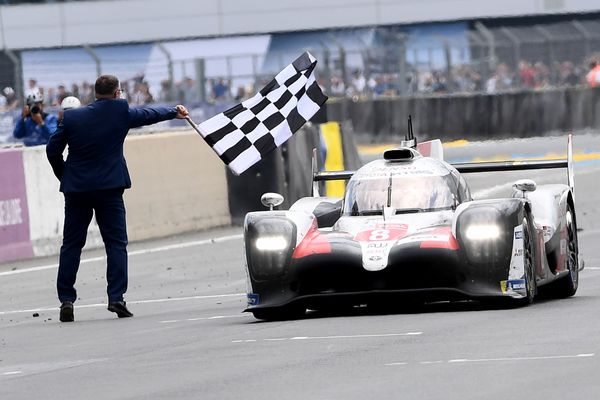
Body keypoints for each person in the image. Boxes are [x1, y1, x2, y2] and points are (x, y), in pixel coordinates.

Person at [46, 74, 189, 322]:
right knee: (115, 243)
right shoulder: (120, 111)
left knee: (71, 245)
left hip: (77, 190)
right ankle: (116, 298)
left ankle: (66, 300)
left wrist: (66, 176)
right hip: (109, 189)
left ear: (95, 92)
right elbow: (147, 115)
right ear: (117, 93)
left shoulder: (72, 117)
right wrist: (173, 112)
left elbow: (52, 149)